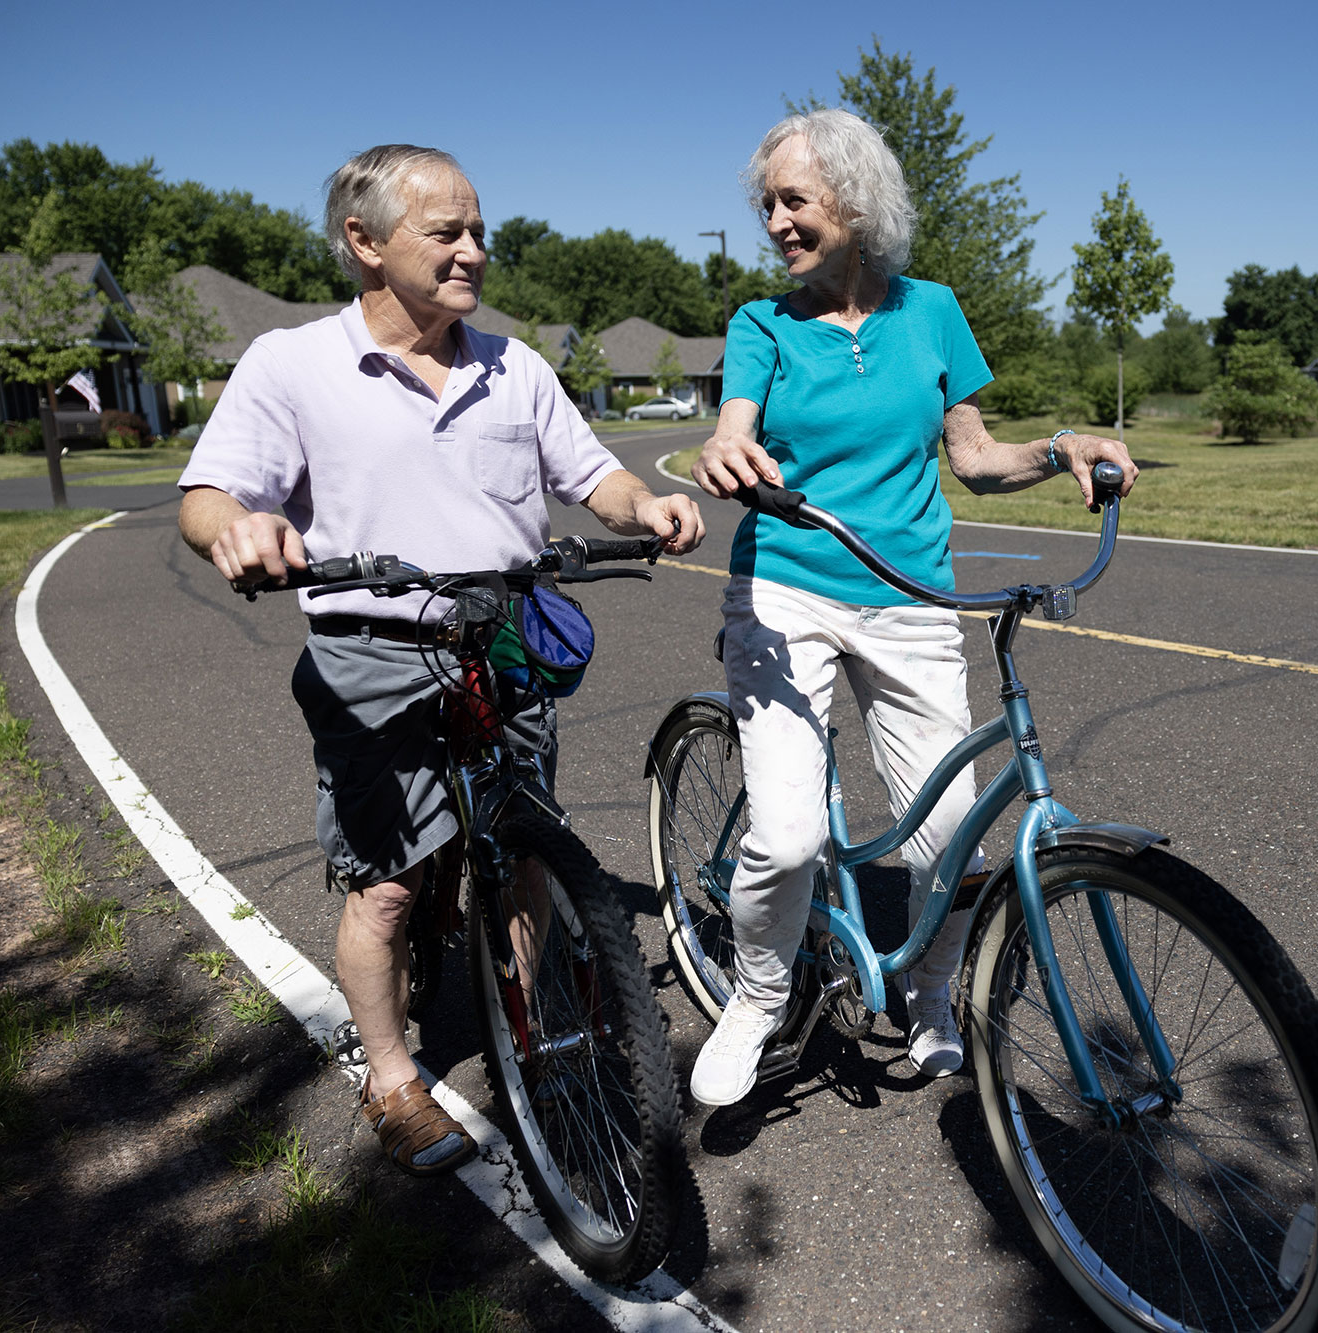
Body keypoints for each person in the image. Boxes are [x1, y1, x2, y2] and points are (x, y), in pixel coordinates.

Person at [176, 144, 703, 1175]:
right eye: (445, 232)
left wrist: (644, 504)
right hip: (372, 652)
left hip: (504, 639)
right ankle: (390, 1077)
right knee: (386, 887)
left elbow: (592, 472)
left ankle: (529, 1029)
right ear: (362, 244)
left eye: (477, 231)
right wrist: (237, 530)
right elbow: (211, 494)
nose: (472, 251)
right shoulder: (292, 365)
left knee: (524, 851)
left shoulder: (517, 366)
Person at [688, 109, 1138, 1108]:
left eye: (792, 199)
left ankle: (931, 993)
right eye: (765, 204)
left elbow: (972, 457)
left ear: (853, 199)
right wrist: (726, 452)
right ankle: (758, 996)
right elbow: (733, 427)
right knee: (791, 834)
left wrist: (1058, 446)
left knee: (945, 844)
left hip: (910, 597)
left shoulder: (931, 311)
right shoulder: (761, 325)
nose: (775, 221)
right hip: (786, 591)